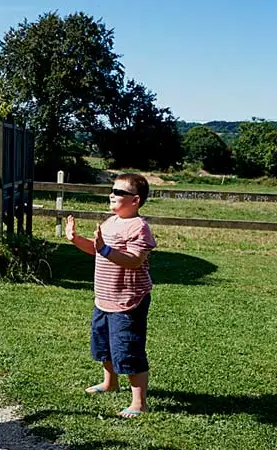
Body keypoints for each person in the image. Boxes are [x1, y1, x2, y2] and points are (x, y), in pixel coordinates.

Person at [64, 173, 156, 419]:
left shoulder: (139, 227)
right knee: (104, 344)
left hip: (128, 300)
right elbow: (97, 251)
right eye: (112, 190)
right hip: (104, 298)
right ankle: (110, 383)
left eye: (119, 193)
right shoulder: (110, 222)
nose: (112, 195)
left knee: (128, 348)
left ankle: (139, 402)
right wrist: (75, 239)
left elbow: (135, 261)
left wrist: (105, 248)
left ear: (135, 200)